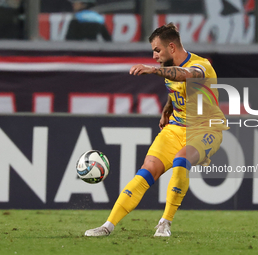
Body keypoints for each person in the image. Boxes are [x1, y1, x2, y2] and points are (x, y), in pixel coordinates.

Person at [85, 23, 228, 237]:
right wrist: (167, 109)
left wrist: (153, 71)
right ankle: (108, 225)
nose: (154, 56)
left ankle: (165, 223)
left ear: (172, 47)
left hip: (206, 129)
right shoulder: (172, 69)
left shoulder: (201, 66)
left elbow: (185, 75)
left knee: (182, 160)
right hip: (176, 128)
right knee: (147, 170)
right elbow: (177, 88)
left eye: (157, 50)